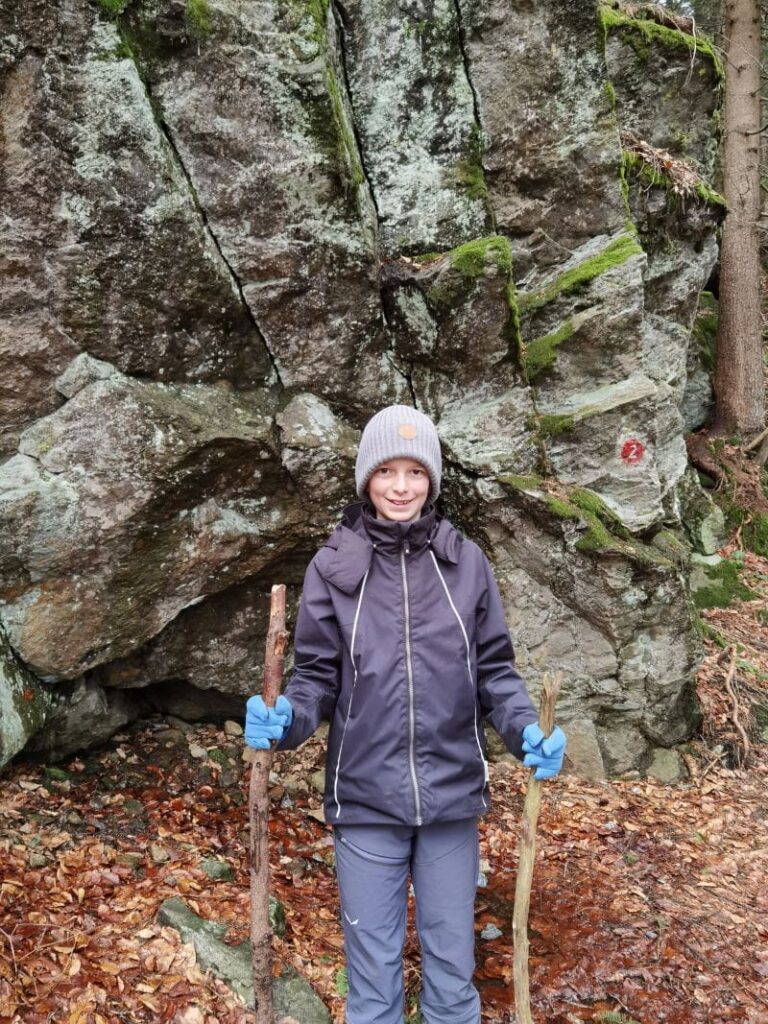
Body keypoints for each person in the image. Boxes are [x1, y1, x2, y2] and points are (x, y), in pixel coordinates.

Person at [245, 405, 566, 1024]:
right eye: (387, 470)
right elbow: (315, 679)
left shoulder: (464, 563)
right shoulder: (333, 569)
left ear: (432, 480)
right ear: (367, 479)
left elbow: (495, 671)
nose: (400, 486)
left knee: (452, 979)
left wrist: (526, 727)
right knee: (372, 987)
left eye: (415, 472)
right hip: (365, 801)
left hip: (450, 799)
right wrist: (284, 718)